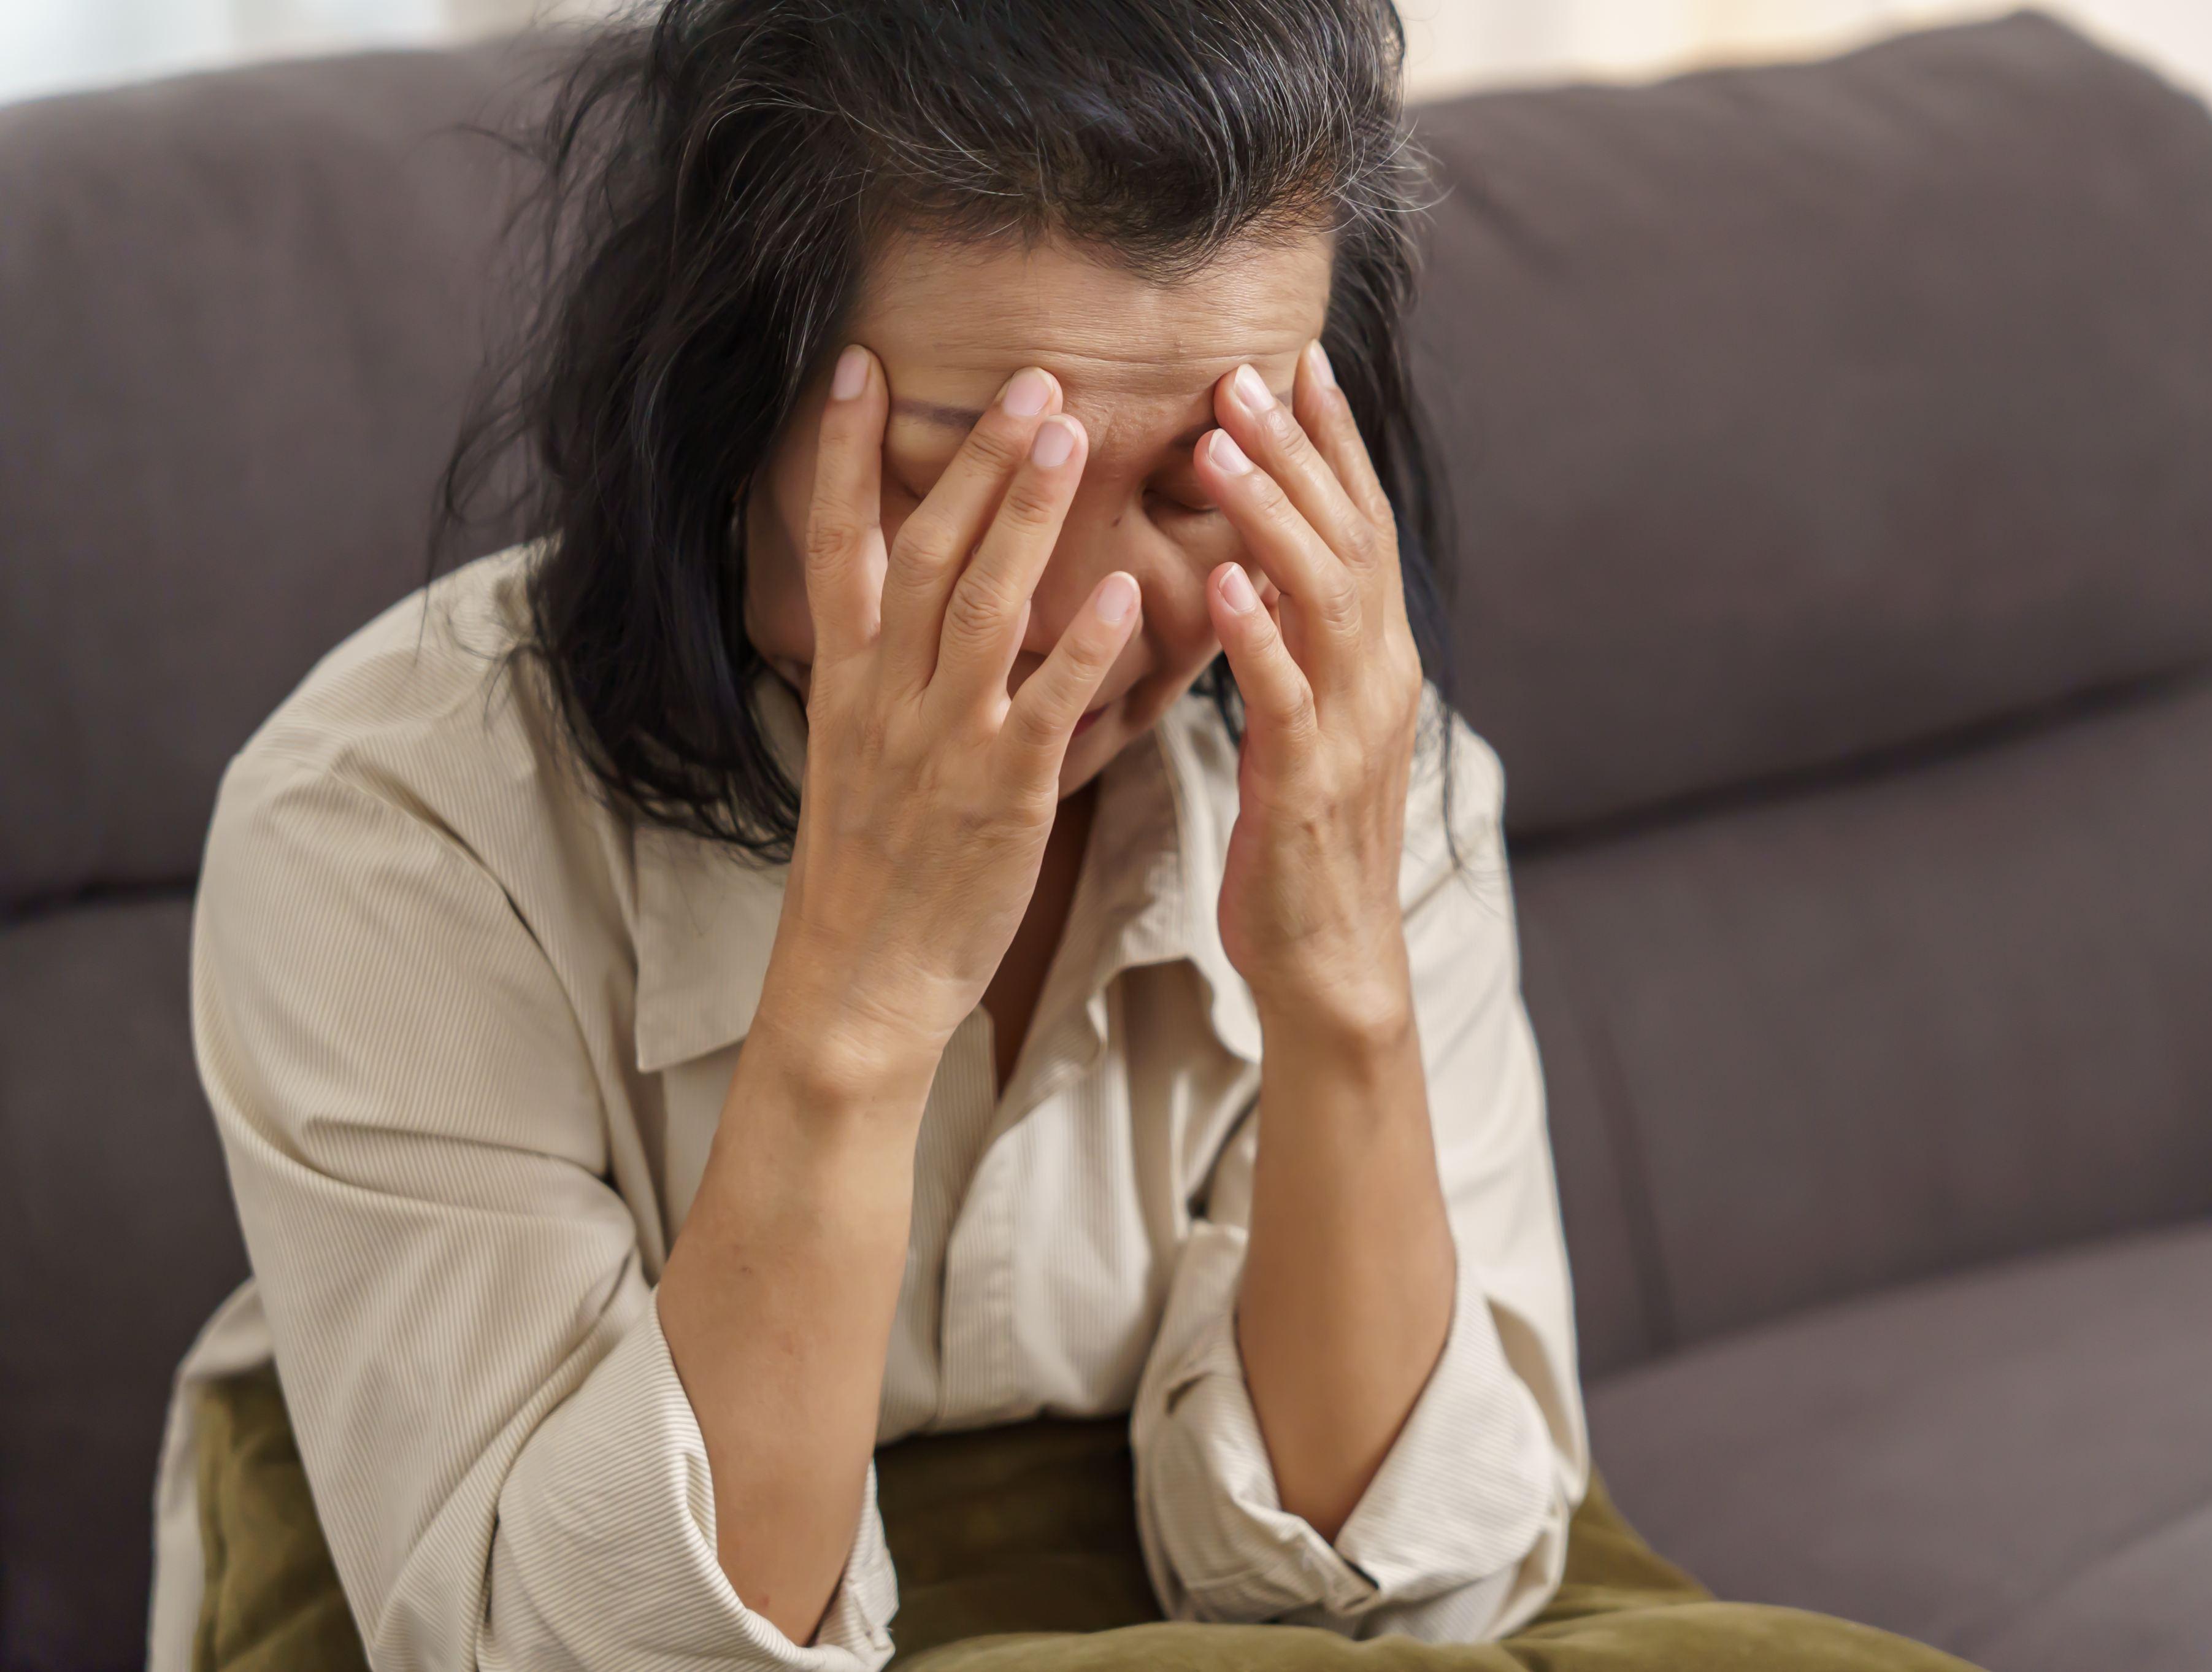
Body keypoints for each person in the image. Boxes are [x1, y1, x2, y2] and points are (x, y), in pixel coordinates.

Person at [148, 3, 1975, 1669]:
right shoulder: (388, 822)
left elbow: (1424, 1596)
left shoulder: (1350, 761)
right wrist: (857, 1015)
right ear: (723, 407)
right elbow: (575, 1651)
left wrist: (1339, 974)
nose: (1090, 616)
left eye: (1202, 479)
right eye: (970, 483)